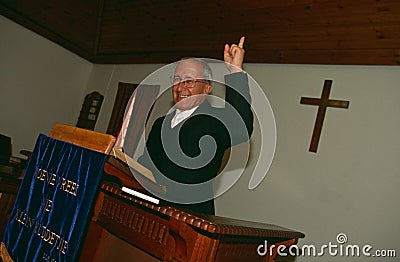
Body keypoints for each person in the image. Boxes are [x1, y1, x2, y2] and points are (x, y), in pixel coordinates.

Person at [137, 37, 253, 215]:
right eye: (177, 79)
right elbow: (146, 168)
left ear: (206, 89)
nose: (180, 87)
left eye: (189, 81)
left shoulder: (213, 122)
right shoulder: (161, 123)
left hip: (190, 221)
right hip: (150, 215)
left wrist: (235, 70)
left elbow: (241, 127)